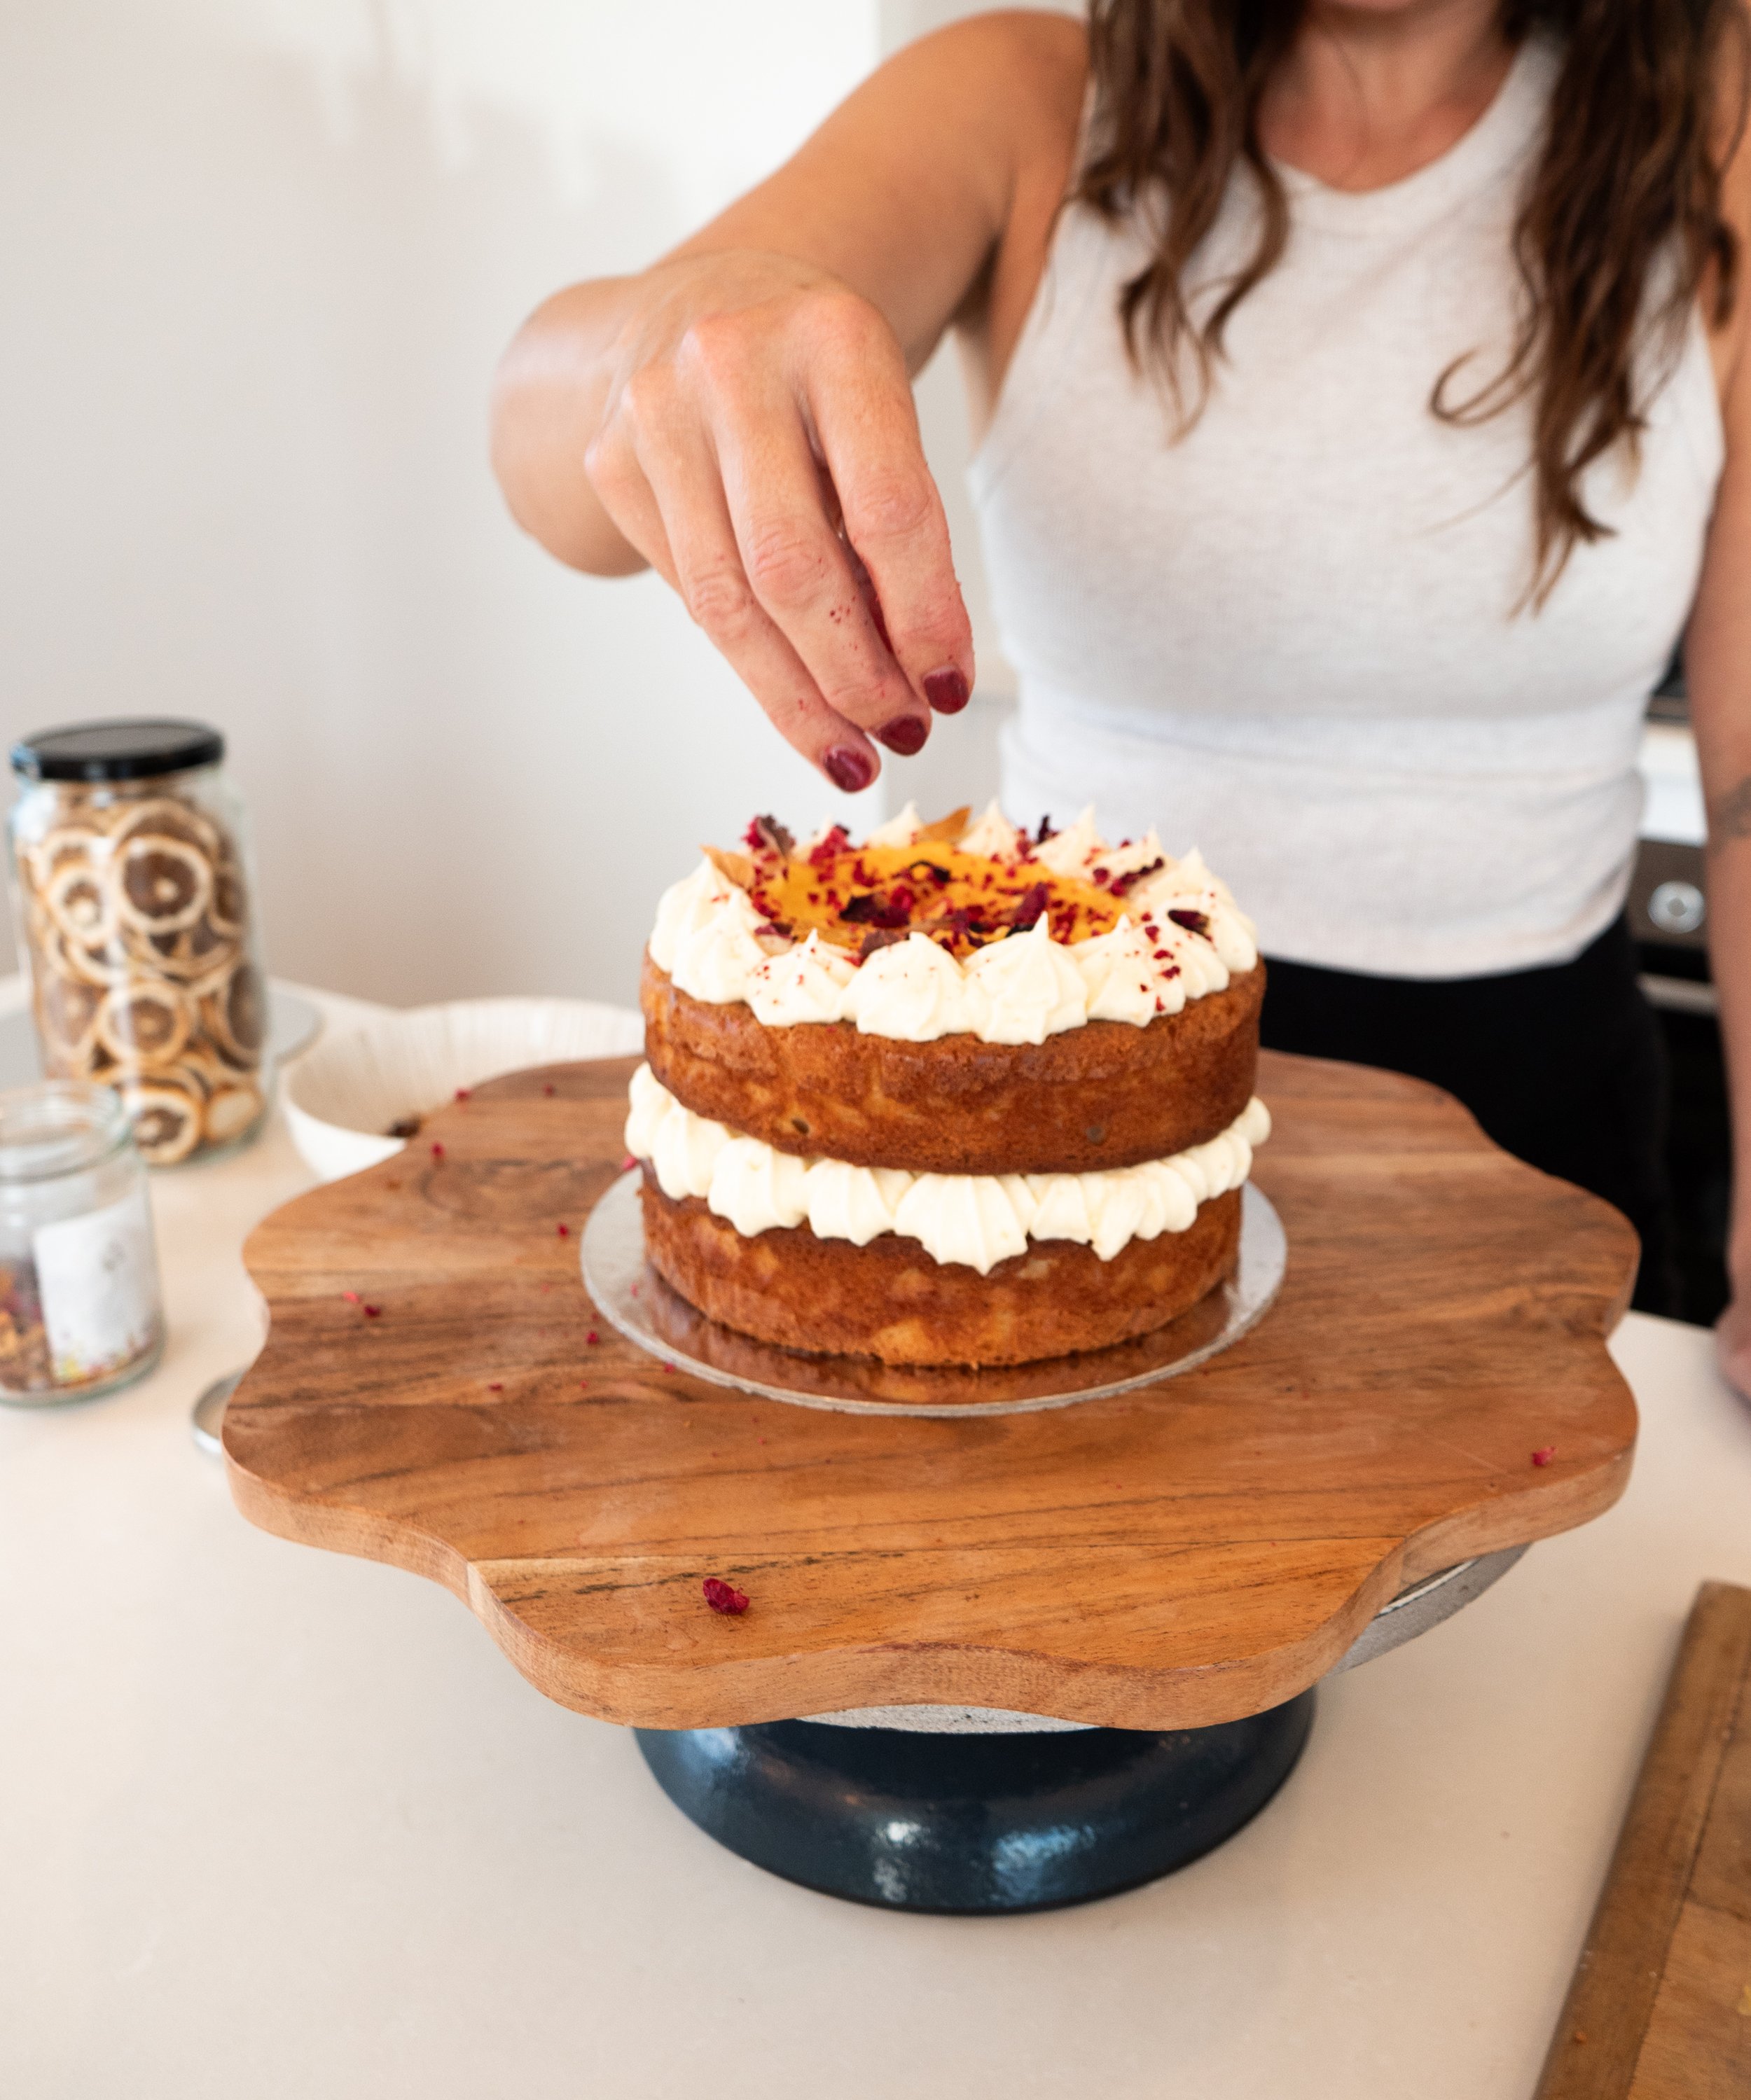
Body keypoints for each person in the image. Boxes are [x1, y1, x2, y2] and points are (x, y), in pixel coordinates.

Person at [491, 1, 1751, 1368]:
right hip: (1030, 1103)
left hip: (1533, 1116)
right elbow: (549, 468)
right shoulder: (1017, 96)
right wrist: (662, 340)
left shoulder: (1717, 123)